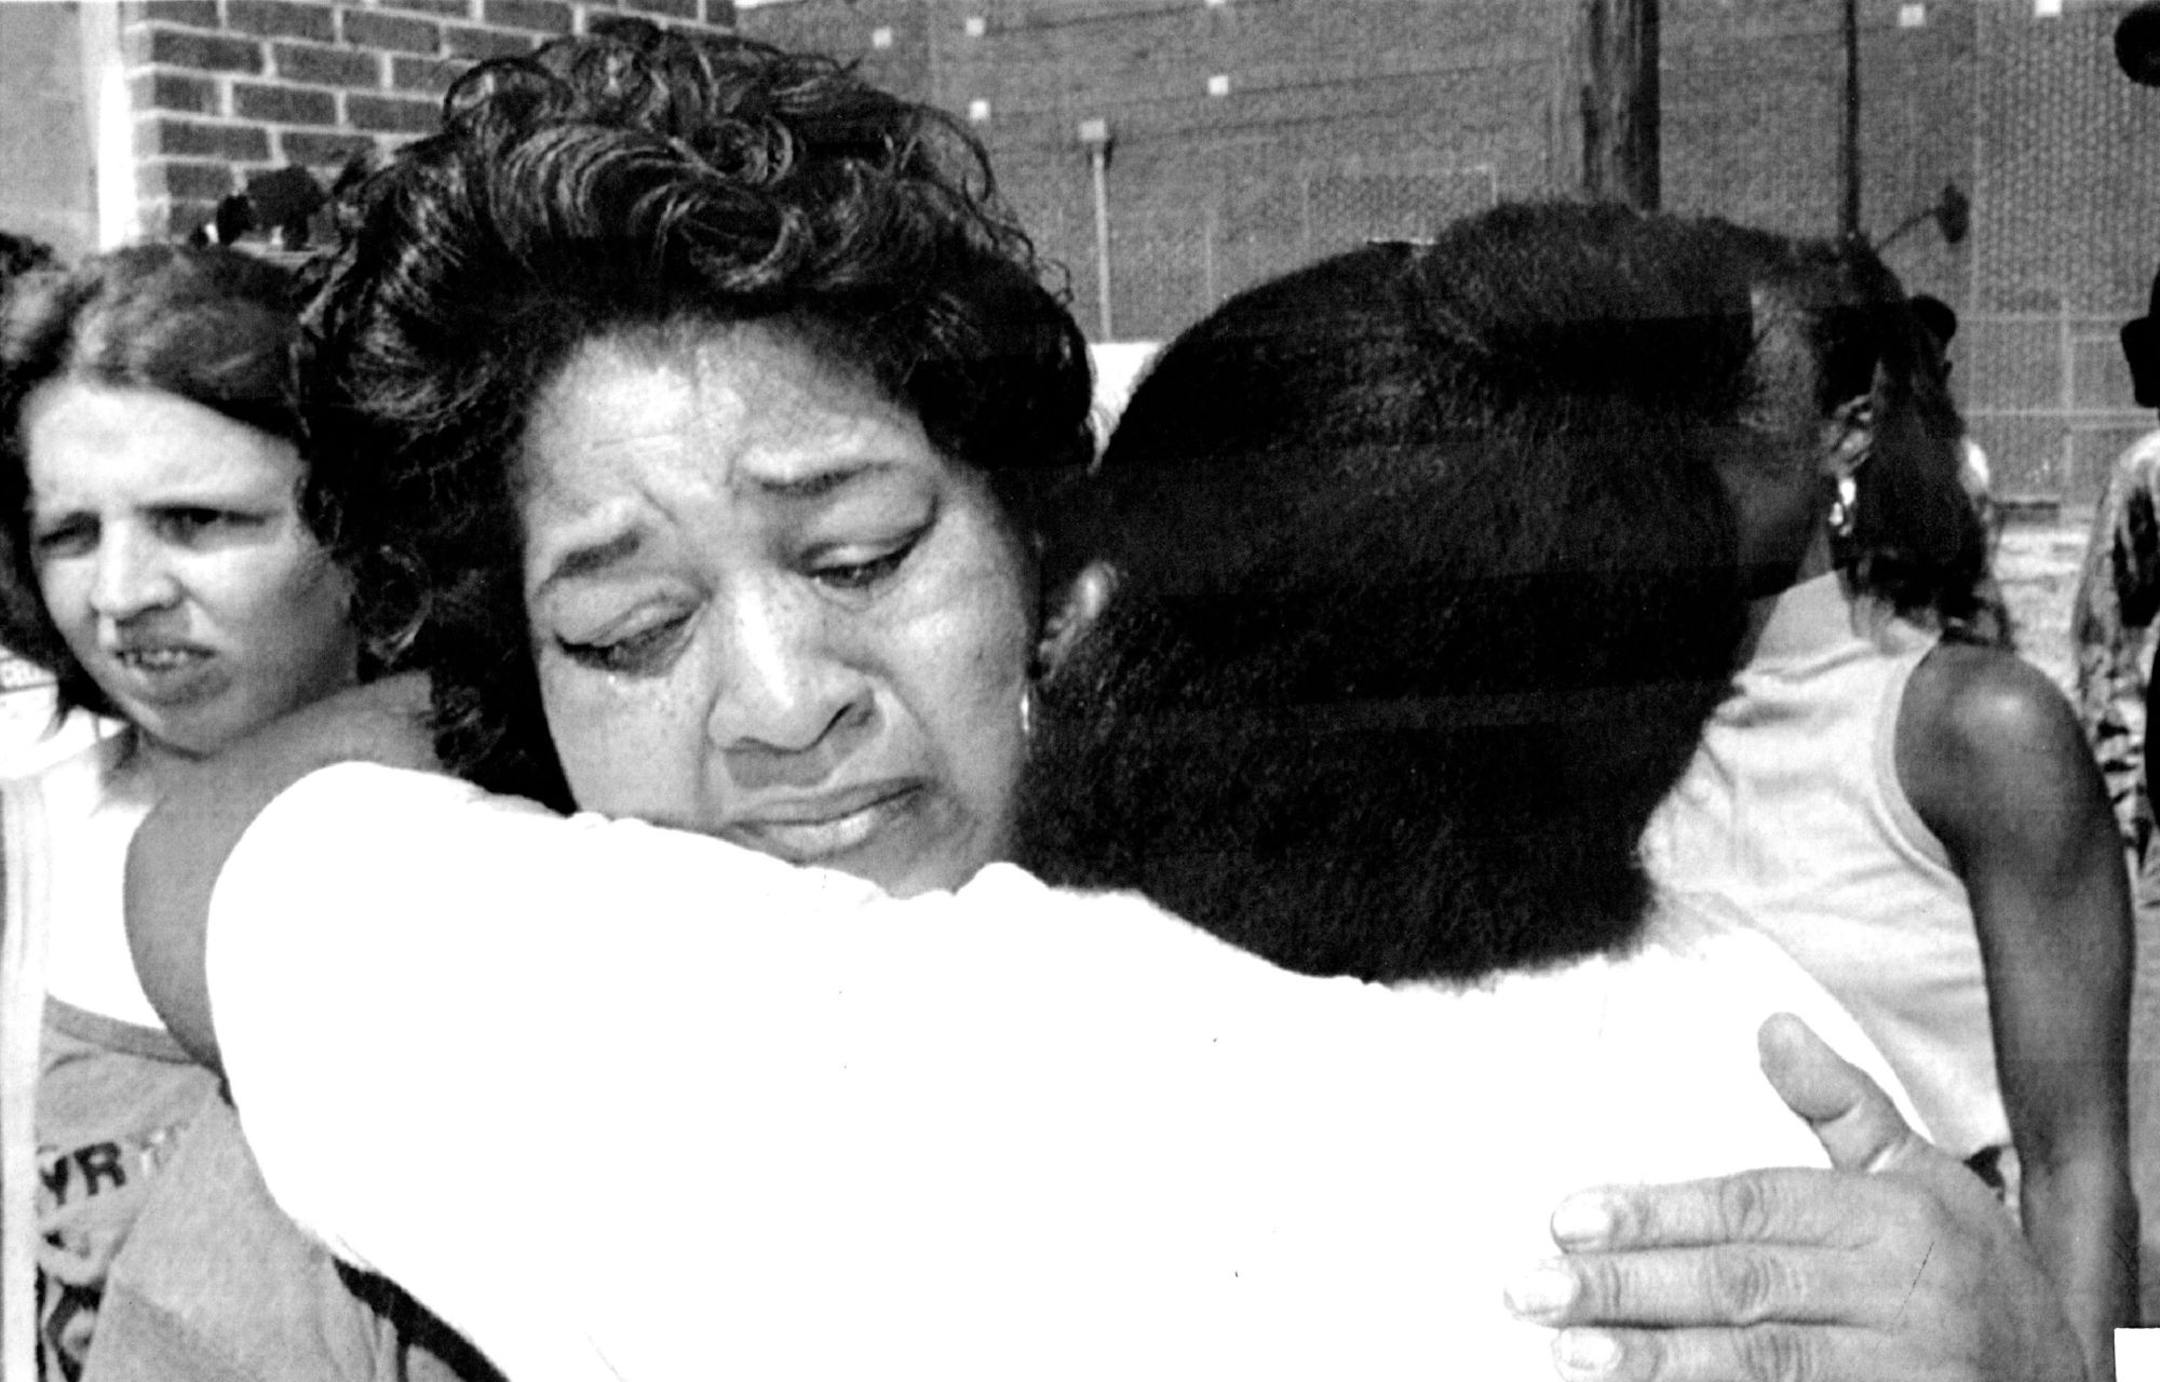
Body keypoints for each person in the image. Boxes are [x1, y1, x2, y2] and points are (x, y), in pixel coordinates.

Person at [122, 101, 2084, 1377]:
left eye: (866, 554)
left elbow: (210, 856)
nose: (789, 700)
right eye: (631, 628)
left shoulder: (626, 1046)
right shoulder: (503, 1041)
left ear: (1060, 559)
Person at [1639, 232, 2137, 1375]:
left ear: (1847, 427)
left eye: (1719, 396)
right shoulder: (1617, 739)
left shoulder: (1975, 733)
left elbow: (2083, 1170)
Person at [0, 244, 363, 1377]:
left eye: (197, 520)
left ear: (360, 523)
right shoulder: (21, 856)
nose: (122, 595)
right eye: (71, 535)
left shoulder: (510, 841)